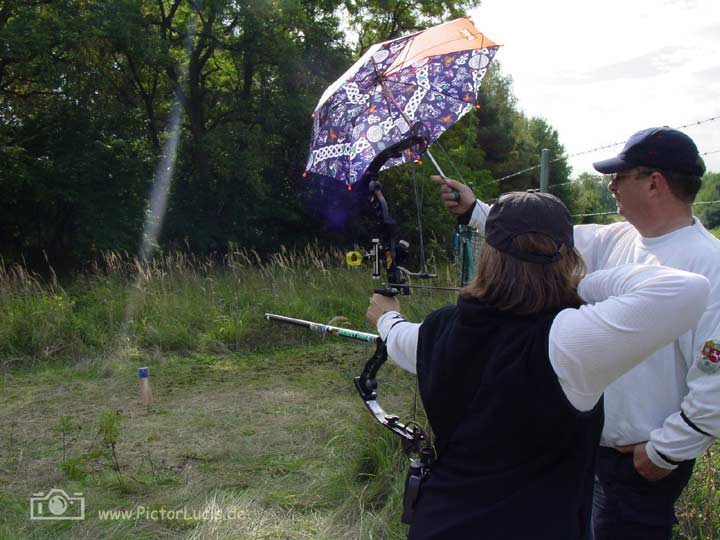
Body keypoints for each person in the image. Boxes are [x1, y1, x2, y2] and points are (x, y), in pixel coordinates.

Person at [366, 190, 709, 540]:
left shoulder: (438, 329)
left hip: (439, 523)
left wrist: (385, 317)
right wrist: (582, 283)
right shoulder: (568, 343)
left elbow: (398, 337)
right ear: (568, 258)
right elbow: (688, 289)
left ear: (487, 255)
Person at [434, 127, 720, 539]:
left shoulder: (708, 264)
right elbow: (536, 238)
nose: (612, 185)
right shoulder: (617, 237)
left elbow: (713, 387)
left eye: (621, 176)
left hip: (639, 462)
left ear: (654, 183)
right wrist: (474, 209)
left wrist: (663, 452)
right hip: (589, 446)